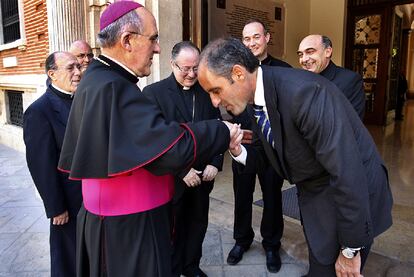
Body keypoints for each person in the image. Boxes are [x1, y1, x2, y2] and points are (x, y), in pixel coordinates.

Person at [58, 2, 241, 277]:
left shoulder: (102, 79)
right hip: (129, 228)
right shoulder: (113, 87)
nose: (157, 47)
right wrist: (222, 131)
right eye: (153, 38)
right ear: (128, 40)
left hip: (120, 223)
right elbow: (170, 148)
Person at [197, 37, 393, 277]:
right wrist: (238, 151)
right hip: (317, 193)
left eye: (216, 91)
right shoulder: (254, 99)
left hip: (349, 195)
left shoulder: (305, 94)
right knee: (321, 261)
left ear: (238, 73)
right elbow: (266, 155)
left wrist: (350, 249)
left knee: (333, 269)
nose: (215, 101)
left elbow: (347, 172)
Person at [143, 41, 222, 277]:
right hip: (172, 179)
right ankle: (172, 269)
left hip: (202, 176)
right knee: (171, 229)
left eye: (195, 68)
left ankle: (191, 266)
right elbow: (153, 140)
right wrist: (180, 170)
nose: (191, 74)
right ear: (172, 64)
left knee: (198, 224)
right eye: (185, 68)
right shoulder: (153, 93)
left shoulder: (207, 92)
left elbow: (218, 129)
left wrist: (215, 162)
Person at [226, 18, 290, 273]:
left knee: (272, 198)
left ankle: (272, 244)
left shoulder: (283, 71)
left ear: (267, 38)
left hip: (272, 151)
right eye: (246, 38)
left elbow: (287, 112)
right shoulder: (234, 71)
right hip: (243, 145)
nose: (251, 42)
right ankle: (242, 240)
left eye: (256, 36)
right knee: (242, 195)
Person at [23, 51, 83, 277]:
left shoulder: (81, 100)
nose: (78, 72)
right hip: (66, 202)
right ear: (52, 74)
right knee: (67, 259)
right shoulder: (39, 111)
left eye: (78, 66)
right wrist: (56, 207)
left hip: (90, 199)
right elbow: (41, 165)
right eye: (70, 68)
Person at [297, 34, 365, 119]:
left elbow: (353, 122)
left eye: (310, 52)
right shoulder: (298, 80)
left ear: (328, 52)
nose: (304, 59)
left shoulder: (350, 80)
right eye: (300, 55)